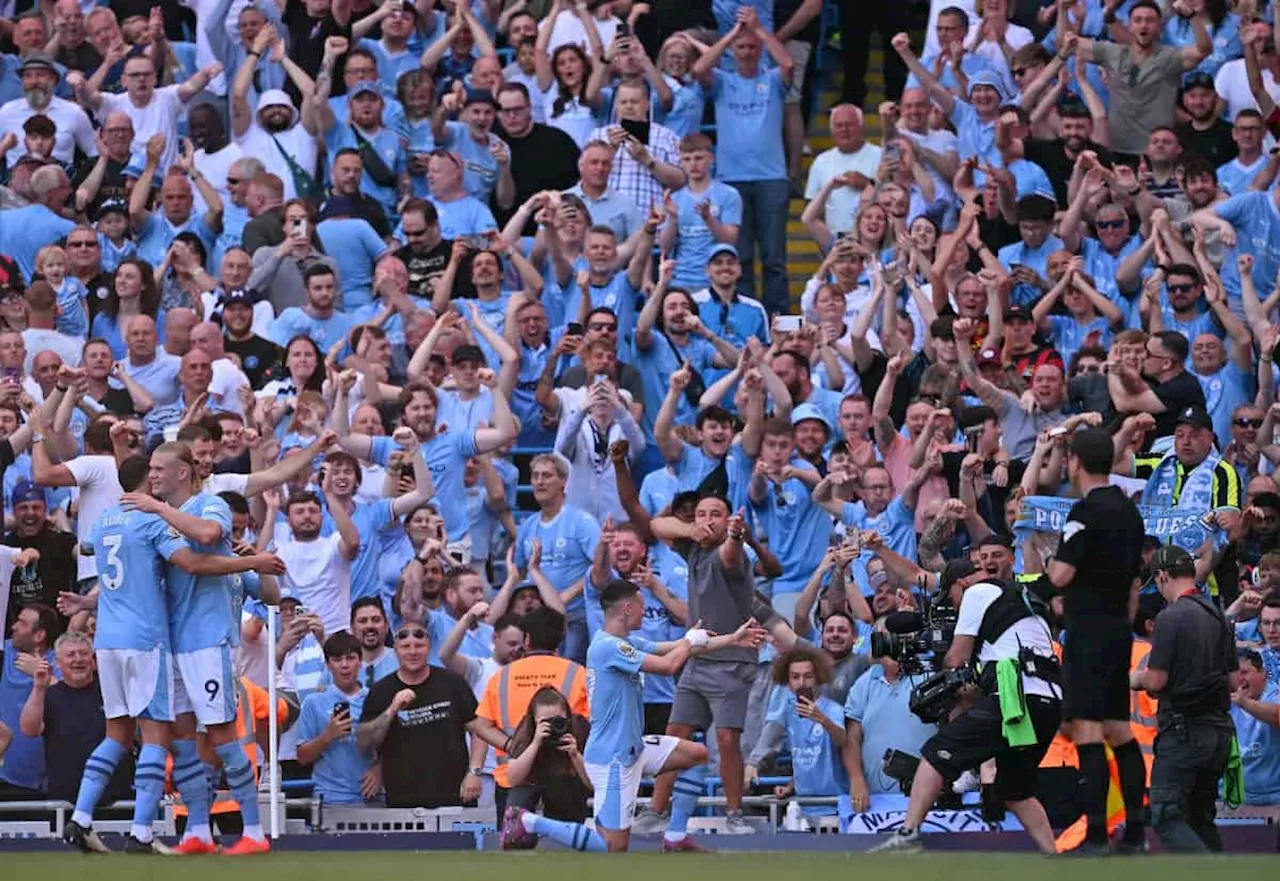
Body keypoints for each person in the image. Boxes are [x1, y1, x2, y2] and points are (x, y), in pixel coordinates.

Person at [62, 454, 284, 854]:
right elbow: (141, 572)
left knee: (217, 736)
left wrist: (252, 562)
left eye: (161, 468)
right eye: (152, 472)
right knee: (179, 739)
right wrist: (88, 602)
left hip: (205, 641)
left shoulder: (204, 504)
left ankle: (252, 830)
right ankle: (196, 829)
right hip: (167, 643)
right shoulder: (159, 516)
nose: (156, 475)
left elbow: (209, 537)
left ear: (182, 473)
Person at [499, 577, 767, 853]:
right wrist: (689, 642)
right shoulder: (608, 647)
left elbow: (675, 647)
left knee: (696, 755)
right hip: (613, 759)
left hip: (632, 747)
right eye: (641, 605)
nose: (644, 611)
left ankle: (675, 837)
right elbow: (667, 665)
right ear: (627, 608)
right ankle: (528, 821)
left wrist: (733, 639)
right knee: (613, 846)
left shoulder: (623, 642)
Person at [870, 556, 1062, 854]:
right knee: (1015, 789)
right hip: (1048, 703)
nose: (956, 608)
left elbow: (956, 658)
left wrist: (943, 664)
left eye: (952, 600)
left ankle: (908, 834)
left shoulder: (977, 591)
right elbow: (989, 668)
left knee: (935, 754)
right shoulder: (1018, 599)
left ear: (961, 584)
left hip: (1017, 699)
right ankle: (1054, 855)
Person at [638, 495, 781, 836]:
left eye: (716, 514)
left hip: (732, 661)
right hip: (696, 658)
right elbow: (655, 525)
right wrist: (692, 528)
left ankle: (734, 815)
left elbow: (729, 554)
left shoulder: (733, 553)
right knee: (674, 736)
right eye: (702, 514)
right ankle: (657, 810)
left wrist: (733, 535)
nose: (708, 520)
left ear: (729, 519)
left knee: (727, 739)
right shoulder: (694, 549)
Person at [1046, 428, 1151, 854]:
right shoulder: (1130, 513)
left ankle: (1093, 834)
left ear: (1075, 462)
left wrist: (1047, 578)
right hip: (1116, 632)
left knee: (1087, 730)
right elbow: (1132, 585)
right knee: (1116, 728)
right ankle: (1136, 831)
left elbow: (1061, 575)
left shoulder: (1083, 513)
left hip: (1088, 632)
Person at [1133, 545, 1238, 852]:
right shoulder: (1218, 615)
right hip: (1219, 732)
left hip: (1184, 734)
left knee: (1165, 813)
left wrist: (1133, 679)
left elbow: (1156, 680)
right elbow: (1233, 681)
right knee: (1199, 817)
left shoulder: (1170, 616)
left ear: (1163, 576)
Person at [356, 621, 496, 808]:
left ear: (429, 648)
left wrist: (475, 772)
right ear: (395, 650)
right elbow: (365, 742)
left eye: (419, 646)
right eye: (405, 647)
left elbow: (479, 731)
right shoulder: (381, 691)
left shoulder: (452, 682)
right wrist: (392, 710)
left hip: (455, 796)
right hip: (403, 800)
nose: (412, 652)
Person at [296, 631, 379, 805]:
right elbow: (302, 757)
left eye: (350, 658)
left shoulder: (376, 699)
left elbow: (394, 746)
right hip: (329, 798)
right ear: (327, 664)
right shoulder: (314, 702)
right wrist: (327, 736)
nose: (344, 665)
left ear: (360, 661)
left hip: (371, 795)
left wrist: (380, 770)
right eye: (337, 659)